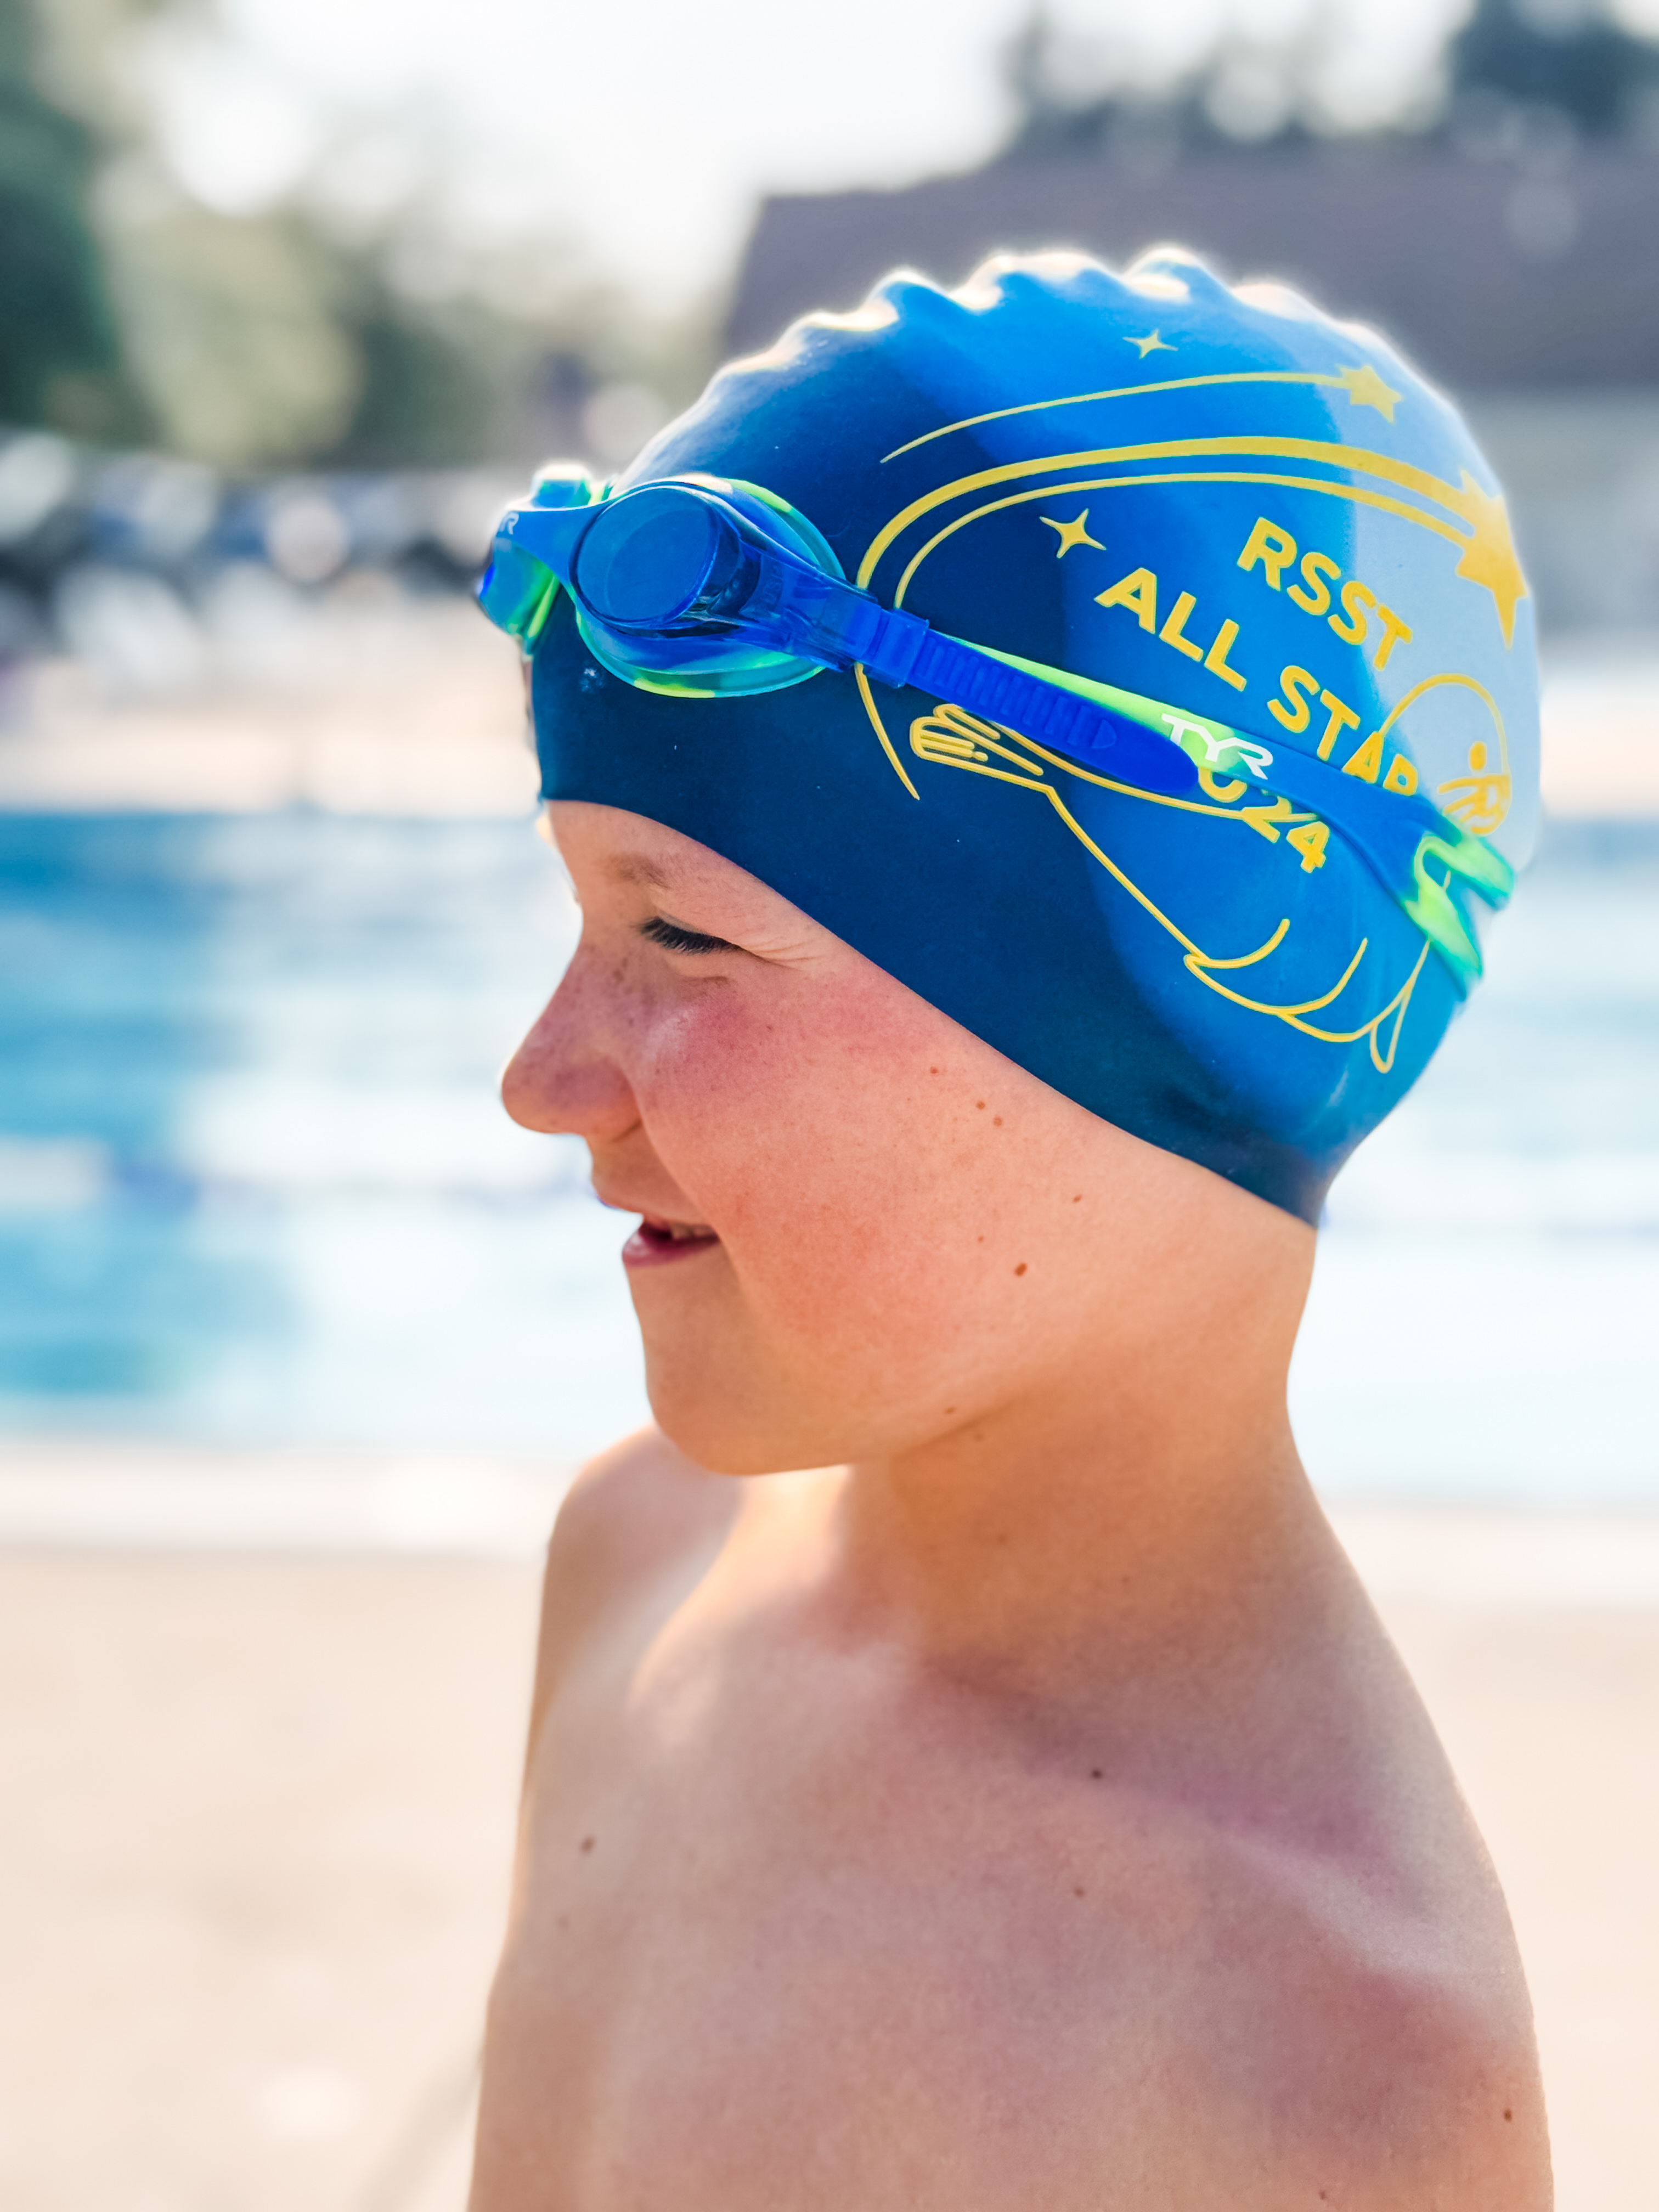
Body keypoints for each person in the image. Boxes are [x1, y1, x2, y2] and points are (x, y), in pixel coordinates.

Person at [467, 247, 1551, 2209]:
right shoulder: (638, 1565)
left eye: (681, 934)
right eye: (585, 915)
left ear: (1184, 1009)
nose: (542, 1077)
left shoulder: (1317, 2057)